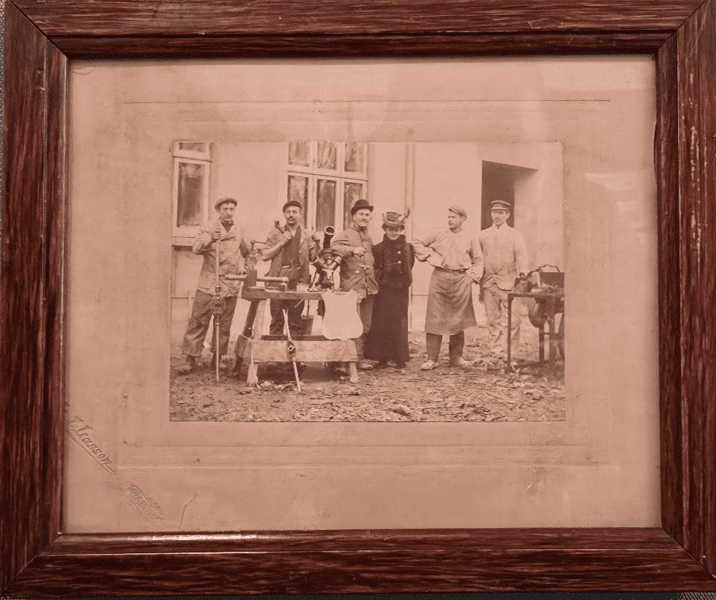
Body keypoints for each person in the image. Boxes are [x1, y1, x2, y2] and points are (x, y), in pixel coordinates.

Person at [177, 197, 250, 375]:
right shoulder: (208, 227)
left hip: (230, 283)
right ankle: (190, 358)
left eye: (232, 209)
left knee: (224, 324)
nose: (228, 212)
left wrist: (244, 266)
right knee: (199, 320)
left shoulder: (238, 229)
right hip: (209, 282)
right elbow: (196, 248)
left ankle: (218, 358)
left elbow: (248, 251)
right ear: (218, 210)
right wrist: (210, 239)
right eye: (225, 208)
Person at [412, 206, 483, 370]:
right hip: (439, 278)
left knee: (458, 319)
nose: (450, 220)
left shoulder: (470, 238)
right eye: (449, 217)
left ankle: (456, 357)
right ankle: (432, 358)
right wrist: (429, 256)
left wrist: (472, 277)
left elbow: (479, 260)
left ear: (462, 219)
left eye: (454, 217)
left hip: (461, 280)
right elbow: (415, 243)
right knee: (434, 318)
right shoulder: (439, 234)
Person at [331, 198, 379, 370]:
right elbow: (333, 247)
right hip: (352, 286)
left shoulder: (368, 237)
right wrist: (352, 250)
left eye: (367, 215)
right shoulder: (345, 234)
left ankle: (357, 359)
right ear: (354, 217)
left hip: (368, 286)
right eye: (361, 214)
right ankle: (343, 362)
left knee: (364, 325)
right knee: (349, 324)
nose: (364, 217)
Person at [478, 199, 529, 358]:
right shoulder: (483, 235)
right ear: (491, 214)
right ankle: (496, 352)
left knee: (512, 320)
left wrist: (523, 274)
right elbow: (478, 258)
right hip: (489, 283)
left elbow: (521, 257)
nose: (497, 216)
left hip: (508, 282)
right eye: (494, 212)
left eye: (501, 213)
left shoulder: (515, 234)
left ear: (507, 215)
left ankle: (510, 353)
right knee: (493, 319)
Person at [262, 200, 320, 336]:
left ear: (301, 214)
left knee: (295, 320)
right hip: (278, 278)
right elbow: (265, 255)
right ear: (284, 214)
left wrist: (318, 244)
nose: (291, 215)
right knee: (277, 319)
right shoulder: (275, 233)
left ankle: (294, 355)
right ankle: (275, 354)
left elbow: (312, 258)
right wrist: (282, 242)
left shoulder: (307, 235)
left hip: (299, 279)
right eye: (288, 212)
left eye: (294, 212)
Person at [365, 210, 415, 369]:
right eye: (390, 229)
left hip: (401, 290)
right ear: (384, 229)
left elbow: (409, 266)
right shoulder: (378, 249)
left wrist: (402, 280)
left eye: (397, 229)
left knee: (398, 322)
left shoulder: (408, 248)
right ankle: (381, 358)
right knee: (382, 322)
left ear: (401, 230)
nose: (393, 232)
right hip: (384, 289)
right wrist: (384, 278)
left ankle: (398, 357)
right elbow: (375, 267)